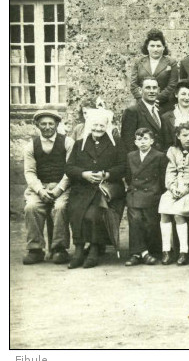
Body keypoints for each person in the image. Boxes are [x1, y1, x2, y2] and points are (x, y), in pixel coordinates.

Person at [65, 108, 124, 269]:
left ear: (107, 126)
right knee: (76, 211)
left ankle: (94, 248)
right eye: (95, 125)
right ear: (89, 125)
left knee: (93, 214)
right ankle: (78, 249)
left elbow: (123, 167)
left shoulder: (115, 143)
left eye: (102, 126)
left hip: (106, 189)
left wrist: (106, 174)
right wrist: (84, 174)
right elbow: (69, 168)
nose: (98, 129)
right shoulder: (79, 145)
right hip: (82, 189)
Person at [22, 108, 72, 265]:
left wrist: (59, 189)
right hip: (39, 187)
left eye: (51, 123)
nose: (47, 127)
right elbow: (29, 172)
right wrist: (40, 190)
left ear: (57, 124)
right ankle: (35, 249)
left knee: (60, 207)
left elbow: (70, 170)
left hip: (62, 186)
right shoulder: (31, 146)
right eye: (43, 124)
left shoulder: (67, 142)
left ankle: (59, 249)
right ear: (37, 125)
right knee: (31, 207)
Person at [158, 122, 189, 266]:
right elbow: (170, 172)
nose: (188, 138)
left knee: (178, 214)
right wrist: (172, 187)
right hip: (176, 187)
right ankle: (166, 250)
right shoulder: (172, 150)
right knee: (164, 210)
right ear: (178, 136)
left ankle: (184, 251)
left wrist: (186, 189)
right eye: (185, 135)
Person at [124, 128, 168, 267]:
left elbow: (162, 179)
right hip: (135, 193)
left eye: (145, 139)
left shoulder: (159, 156)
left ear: (152, 141)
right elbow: (128, 176)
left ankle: (141, 252)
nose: (142, 142)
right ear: (135, 142)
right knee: (135, 219)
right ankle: (141, 253)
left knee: (150, 222)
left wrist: (158, 193)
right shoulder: (131, 156)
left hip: (152, 194)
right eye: (139, 139)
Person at [128, 28, 179, 108]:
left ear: (163, 47)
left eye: (158, 46)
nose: (155, 49)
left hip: (163, 104)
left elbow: (172, 85)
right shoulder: (139, 62)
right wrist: (143, 100)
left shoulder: (171, 62)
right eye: (152, 46)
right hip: (142, 103)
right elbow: (133, 84)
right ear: (147, 47)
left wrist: (155, 100)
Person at [122, 77, 166, 151]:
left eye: (154, 88)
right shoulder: (132, 111)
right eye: (148, 88)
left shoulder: (160, 111)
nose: (152, 91)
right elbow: (128, 142)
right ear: (140, 90)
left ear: (158, 90)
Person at [159, 80, 189, 149]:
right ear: (176, 94)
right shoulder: (166, 117)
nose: (186, 98)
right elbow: (166, 143)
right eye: (183, 94)